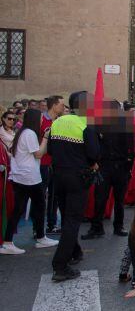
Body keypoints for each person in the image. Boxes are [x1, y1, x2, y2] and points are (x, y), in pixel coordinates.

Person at [49, 91, 100, 282]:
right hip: (78, 177)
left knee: (66, 217)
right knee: (72, 220)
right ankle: (60, 265)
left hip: (59, 174)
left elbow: (52, 150)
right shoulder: (86, 124)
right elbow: (94, 153)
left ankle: (74, 251)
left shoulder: (58, 122)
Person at [1, 109, 58, 255]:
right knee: (37, 207)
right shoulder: (30, 134)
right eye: (40, 118)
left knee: (25, 208)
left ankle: (33, 237)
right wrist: (45, 137)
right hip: (28, 177)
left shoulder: (23, 132)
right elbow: (38, 153)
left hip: (22, 176)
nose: (41, 121)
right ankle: (38, 237)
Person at [84, 103, 134, 239]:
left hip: (121, 165)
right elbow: (91, 144)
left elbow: (133, 146)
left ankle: (118, 226)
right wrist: (94, 162)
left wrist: (128, 165)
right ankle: (96, 227)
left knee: (119, 199)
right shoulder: (97, 125)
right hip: (104, 166)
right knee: (100, 198)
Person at [41, 95, 64, 234]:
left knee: (54, 196)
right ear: (54, 105)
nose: (63, 107)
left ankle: (51, 224)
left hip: (56, 162)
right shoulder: (41, 119)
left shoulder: (60, 121)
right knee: (40, 195)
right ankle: (37, 228)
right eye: (61, 104)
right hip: (43, 162)